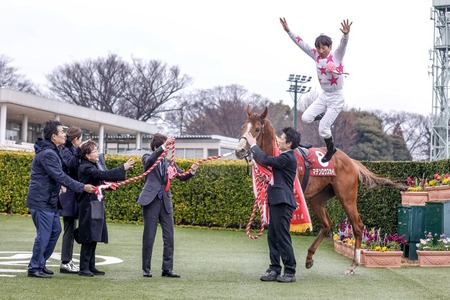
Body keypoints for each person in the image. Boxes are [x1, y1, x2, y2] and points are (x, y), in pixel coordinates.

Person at [26, 120, 95, 279]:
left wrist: (61, 185)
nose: (65, 135)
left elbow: (57, 175)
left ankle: (41, 263)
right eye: (62, 133)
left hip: (50, 200)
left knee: (55, 230)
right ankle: (34, 267)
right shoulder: (48, 153)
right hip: (41, 201)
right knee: (44, 235)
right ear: (53, 136)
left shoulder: (53, 150)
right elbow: (60, 175)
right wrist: (82, 187)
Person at [280, 17, 353, 163]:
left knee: (322, 129)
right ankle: (326, 115)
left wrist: (345, 35)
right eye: (318, 48)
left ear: (329, 47)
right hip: (324, 95)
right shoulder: (316, 55)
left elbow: (343, 45)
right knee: (306, 118)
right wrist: (289, 31)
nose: (320, 50)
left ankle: (331, 149)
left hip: (336, 97)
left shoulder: (337, 56)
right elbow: (302, 44)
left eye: (323, 48)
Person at [137, 133, 198, 278]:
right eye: (165, 146)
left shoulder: (169, 162)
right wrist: (163, 146)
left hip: (165, 202)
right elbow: (149, 161)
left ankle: (167, 269)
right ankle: (146, 268)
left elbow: (182, 176)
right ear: (156, 147)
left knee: (169, 237)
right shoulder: (147, 157)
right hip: (150, 201)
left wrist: (192, 171)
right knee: (149, 236)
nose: (168, 149)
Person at [244, 127, 301, 283]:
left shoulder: (287, 157)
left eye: (282, 138)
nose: (279, 140)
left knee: (282, 237)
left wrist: (253, 145)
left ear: (289, 143)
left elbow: (265, 159)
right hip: (277, 201)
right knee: (273, 237)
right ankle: (274, 269)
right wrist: (268, 180)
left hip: (283, 202)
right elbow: (278, 177)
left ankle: (290, 271)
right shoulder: (285, 157)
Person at [77, 140, 134, 277]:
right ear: (87, 155)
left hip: (96, 203)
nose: (98, 153)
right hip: (87, 204)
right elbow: (103, 175)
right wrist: (123, 167)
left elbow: (103, 179)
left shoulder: (92, 165)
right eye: (95, 151)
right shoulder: (85, 167)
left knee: (95, 233)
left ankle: (91, 265)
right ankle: (84, 267)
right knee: (87, 235)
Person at [59, 126, 83, 274]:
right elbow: (72, 164)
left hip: (73, 194)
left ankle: (68, 261)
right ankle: (65, 261)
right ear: (75, 139)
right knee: (68, 228)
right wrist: (81, 151)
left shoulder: (70, 151)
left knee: (71, 227)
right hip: (68, 195)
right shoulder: (66, 151)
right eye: (80, 139)